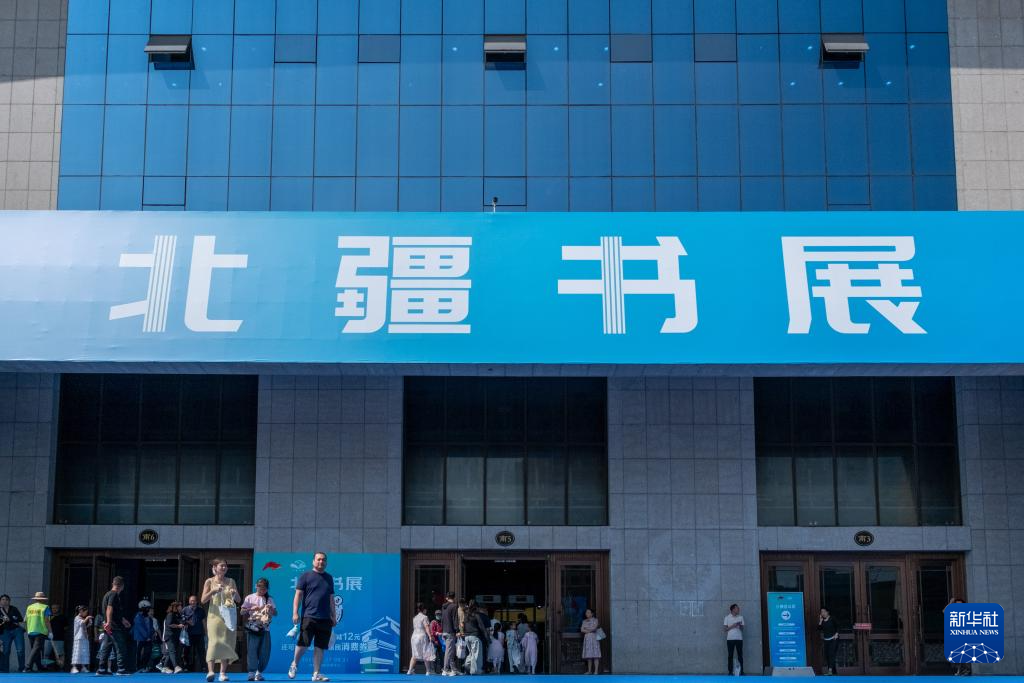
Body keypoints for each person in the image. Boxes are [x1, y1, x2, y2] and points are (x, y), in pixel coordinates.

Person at [288, 552, 337, 683]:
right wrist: (295, 613)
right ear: (313, 561)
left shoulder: (329, 578)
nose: (321, 562)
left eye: (323, 560)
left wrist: (333, 615)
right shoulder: (305, 576)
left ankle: (316, 673)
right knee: (303, 644)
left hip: (325, 618)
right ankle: (294, 664)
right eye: (318, 559)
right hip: (309, 616)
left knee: (320, 647)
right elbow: (298, 595)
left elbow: (331, 598)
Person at [202, 558, 240, 682]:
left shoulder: (231, 581)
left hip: (228, 617)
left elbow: (238, 600)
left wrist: (234, 593)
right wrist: (213, 591)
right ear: (215, 567)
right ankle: (211, 671)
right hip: (214, 616)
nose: (224, 568)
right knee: (213, 642)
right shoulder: (209, 581)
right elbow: (203, 600)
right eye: (221, 566)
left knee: (226, 642)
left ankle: (222, 673)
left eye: (225, 566)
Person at [241, 578, 277, 682]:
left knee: (265, 652)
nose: (262, 591)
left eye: (264, 589)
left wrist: (271, 609)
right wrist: (250, 609)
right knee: (252, 650)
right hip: (253, 628)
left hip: (265, 629)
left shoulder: (269, 599)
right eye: (260, 588)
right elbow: (242, 612)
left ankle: (259, 672)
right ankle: (251, 673)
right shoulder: (250, 597)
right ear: (256, 586)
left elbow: (276, 613)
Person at [24, 592, 51, 672]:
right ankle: (27, 667)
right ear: (43, 599)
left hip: (31, 630)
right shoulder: (45, 607)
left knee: (36, 650)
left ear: (35, 599)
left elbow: (25, 620)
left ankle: (39, 667)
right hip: (40, 630)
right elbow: (47, 621)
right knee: (35, 649)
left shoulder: (29, 607)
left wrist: (27, 630)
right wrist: (50, 632)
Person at [461, 601, 490, 675]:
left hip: (467, 637)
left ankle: (467, 665)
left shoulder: (466, 615)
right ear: (477, 607)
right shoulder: (476, 615)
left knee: (471, 653)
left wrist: (464, 634)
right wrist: (487, 638)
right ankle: (475, 671)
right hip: (475, 636)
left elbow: (463, 626)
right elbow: (482, 627)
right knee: (476, 655)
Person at [0, 593, 27, 673]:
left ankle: (21, 668)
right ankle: (5, 669)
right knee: (6, 651)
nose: (5, 601)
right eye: (3, 599)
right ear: (0, 601)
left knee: (20, 650)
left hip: (17, 630)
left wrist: (10, 619)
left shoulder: (14, 609)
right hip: (5, 632)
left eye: (6, 600)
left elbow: (20, 619)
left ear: (9, 601)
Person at [180, 595, 206, 671]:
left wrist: (206, 632)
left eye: (194, 601)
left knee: (201, 651)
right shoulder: (185, 609)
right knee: (187, 651)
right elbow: (181, 620)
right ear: (189, 601)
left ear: (196, 602)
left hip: (199, 633)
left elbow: (204, 621)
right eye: (191, 601)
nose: (192, 602)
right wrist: (188, 622)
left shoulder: (201, 610)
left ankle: (203, 667)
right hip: (188, 634)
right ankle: (186, 667)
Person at [159, 601, 185, 674]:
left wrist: (184, 624)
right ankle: (176, 667)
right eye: (180, 606)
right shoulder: (170, 614)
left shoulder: (178, 615)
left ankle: (165, 667)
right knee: (172, 651)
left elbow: (181, 622)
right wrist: (178, 626)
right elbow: (169, 624)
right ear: (176, 607)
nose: (181, 607)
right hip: (169, 636)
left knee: (169, 652)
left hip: (175, 636)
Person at [132, 600, 158, 672]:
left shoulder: (149, 618)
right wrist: (147, 637)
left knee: (148, 652)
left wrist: (153, 633)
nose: (148, 610)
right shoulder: (138, 617)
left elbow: (151, 628)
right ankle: (138, 667)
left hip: (148, 638)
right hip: (139, 638)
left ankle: (144, 666)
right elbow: (140, 628)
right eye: (147, 608)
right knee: (138, 653)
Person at [408, 603, 433, 675]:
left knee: (414, 654)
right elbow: (426, 627)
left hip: (414, 636)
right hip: (422, 636)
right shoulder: (425, 617)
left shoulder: (414, 618)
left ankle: (410, 670)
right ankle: (428, 671)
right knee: (425, 653)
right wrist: (430, 636)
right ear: (424, 610)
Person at [440, 592, 459, 677]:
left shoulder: (444, 607)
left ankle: (453, 669)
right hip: (450, 631)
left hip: (444, 630)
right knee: (449, 651)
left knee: (450, 651)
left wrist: (442, 630)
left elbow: (442, 619)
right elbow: (455, 619)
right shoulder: (454, 606)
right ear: (454, 597)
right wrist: (457, 630)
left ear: (447, 597)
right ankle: (445, 669)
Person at [724, 603, 744, 675]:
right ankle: (730, 672)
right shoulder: (727, 617)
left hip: (739, 639)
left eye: (738, 608)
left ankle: (741, 672)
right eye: (737, 608)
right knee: (730, 655)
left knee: (740, 655)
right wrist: (733, 625)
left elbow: (742, 629)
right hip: (730, 639)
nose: (738, 609)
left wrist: (740, 625)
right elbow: (725, 629)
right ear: (733, 609)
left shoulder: (741, 617)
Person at [71, 606, 93, 674]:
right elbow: (82, 623)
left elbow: (84, 626)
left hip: (84, 637)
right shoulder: (77, 618)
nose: (86, 614)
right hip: (78, 638)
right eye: (85, 612)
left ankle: (83, 667)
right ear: (81, 611)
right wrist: (87, 618)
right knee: (77, 652)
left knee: (84, 652)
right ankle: (74, 667)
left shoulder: (83, 618)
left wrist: (89, 624)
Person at [818, 607, 838, 676]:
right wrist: (820, 621)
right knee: (827, 655)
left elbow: (838, 627)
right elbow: (819, 629)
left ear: (827, 612)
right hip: (826, 640)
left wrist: (836, 633)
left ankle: (830, 670)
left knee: (831, 654)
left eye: (824, 612)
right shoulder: (822, 621)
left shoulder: (832, 619)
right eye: (821, 612)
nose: (822, 613)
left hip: (833, 639)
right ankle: (834, 671)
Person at [47, 604, 68, 670]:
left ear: (59, 609)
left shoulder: (63, 617)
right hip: (48, 638)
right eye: (53, 608)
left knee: (60, 654)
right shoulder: (48, 617)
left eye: (56, 608)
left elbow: (66, 627)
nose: (54, 609)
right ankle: (46, 667)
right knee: (46, 654)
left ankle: (61, 667)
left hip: (59, 638)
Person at [580, 608, 601, 675]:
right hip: (587, 639)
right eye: (586, 612)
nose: (587, 614)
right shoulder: (584, 621)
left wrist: (587, 629)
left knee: (596, 655)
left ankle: (596, 671)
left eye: (588, 612)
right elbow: (582, 630)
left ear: (592, 614)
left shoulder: (595, 620)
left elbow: (594, 628)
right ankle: (589, 671)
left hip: (594, 639)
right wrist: (589, 630)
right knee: (589, 656)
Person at [429, 610, 443, 674]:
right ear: (435, 615)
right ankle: (433, 670)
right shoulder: (433, 622)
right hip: (435, 642)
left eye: (439, 614)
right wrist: (437, 633)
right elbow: (431, 631)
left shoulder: (442, 622)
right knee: (434, 657)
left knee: (441, 656)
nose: (438, 616)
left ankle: (442, 670)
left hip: (441, 642)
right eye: (437, 614)